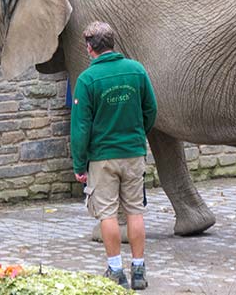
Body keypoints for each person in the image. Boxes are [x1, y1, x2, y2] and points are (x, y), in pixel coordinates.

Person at [71, 21, 157, 290]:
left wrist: (79, 163)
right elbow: (151, 110)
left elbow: (80, 127)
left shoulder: (87, 80)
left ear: (89, 47)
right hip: (133, 154)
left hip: (102, 158)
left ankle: (116, 270)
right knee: (135, 211)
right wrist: (137, 133)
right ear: (112, 43)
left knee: (107, 214)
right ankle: (139, 271)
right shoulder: (136, 70)